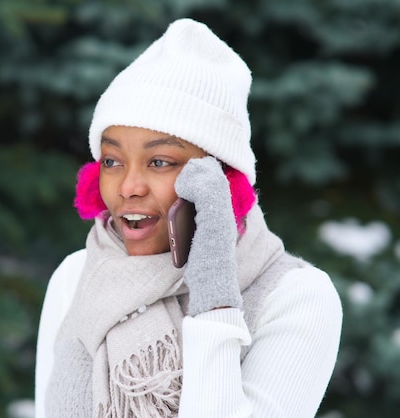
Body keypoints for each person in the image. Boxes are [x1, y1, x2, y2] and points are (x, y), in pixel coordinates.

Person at [35, 18, 342, 418]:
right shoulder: (76, 277)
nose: (128, 186)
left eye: (160, 162)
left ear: (219, 180)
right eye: (112, 160)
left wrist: (215, 295)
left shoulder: (297, 296)